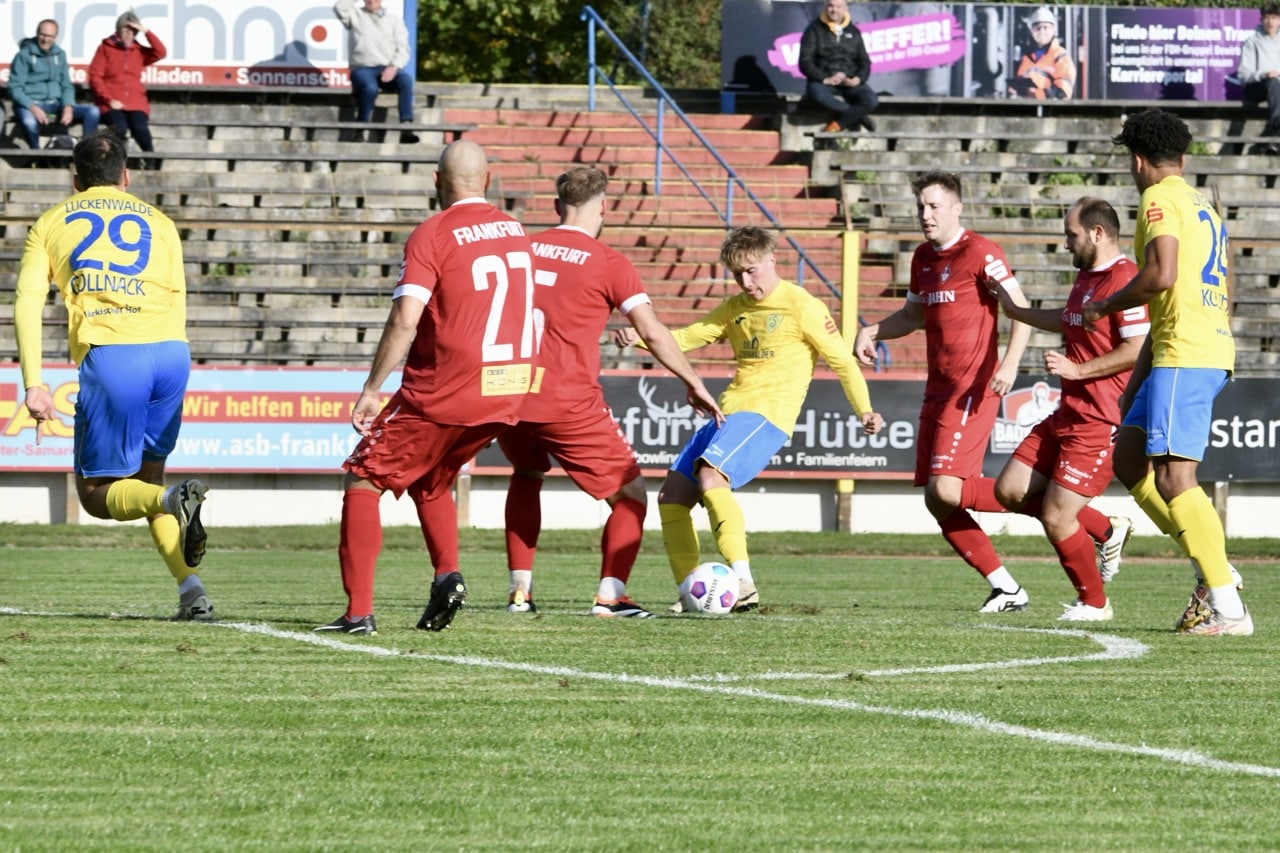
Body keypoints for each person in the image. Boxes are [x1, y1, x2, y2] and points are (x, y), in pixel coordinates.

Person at [315, 140, 538, 636]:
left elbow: (405, 318)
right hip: (507, 390)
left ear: (437, 182)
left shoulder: (433, 234)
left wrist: (373, 387)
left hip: (445, 389)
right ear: (489, 178)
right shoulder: (517, 232)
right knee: (431, 480)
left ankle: (358, 614)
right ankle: (446, 576)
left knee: (362, 479)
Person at [618, 226, 884, 611]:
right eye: (738, 274)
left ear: (772, 261)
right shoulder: (735, 308)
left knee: (711, 474)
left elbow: (842, 361)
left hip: (767, 413)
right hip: (728, 410)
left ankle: (743, 582)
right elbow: (691, 335)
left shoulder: (802, 305)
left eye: (752, 271)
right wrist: (639, 337)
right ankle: (690, 592)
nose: (746, 281)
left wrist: (865, 409)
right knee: (671, 497)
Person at [499, 166, 724, 619]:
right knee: (630, 495)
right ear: (604, 207)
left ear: (557, 206)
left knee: (526, 475)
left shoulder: (518, 250)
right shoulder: (608, 262)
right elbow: (654, 333)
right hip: (566, 400)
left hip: (508, 395)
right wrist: (693, 381)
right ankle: (611, 595)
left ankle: (520, 593)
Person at [14, 130, 211, 620]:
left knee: (97, 497)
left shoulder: (51, 222)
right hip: (171, 352)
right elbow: (178, 292)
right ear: (126, 176)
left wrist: (34, 384)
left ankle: (174, 499)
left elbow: (26, 304)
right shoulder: (162, 222)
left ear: (76, 179)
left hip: (114, 353)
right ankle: (193, 592)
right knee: (148, 479)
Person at [1083, 109, 1251, 636]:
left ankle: (1226, 603)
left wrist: (1103, 307)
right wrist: (1140, 377)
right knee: (1130, 460)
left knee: (1176, 476)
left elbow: (1161, 275)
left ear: (1138, 160)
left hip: (1186, 352)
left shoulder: (1158, 199)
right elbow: (1213, 295)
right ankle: (1217, 567)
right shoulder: (1204, 204)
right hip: (1191, 347)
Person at [854, 171, 1035, 613]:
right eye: (921, 207)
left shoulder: (981, 252)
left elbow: (1022, 310)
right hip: (938, 392)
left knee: (948, 490)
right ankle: (1006, 588)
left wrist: (1009, 364)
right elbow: (912, 317)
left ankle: (1072, 513)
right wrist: (872, 329)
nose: (926, 215)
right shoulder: (922, 257)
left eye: (934, 206)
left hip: (974, 388)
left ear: (957, 208)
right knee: (938, 499)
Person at [991, 198, 1149, 622]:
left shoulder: (1125, 279)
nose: (1066, 243)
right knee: (1008, 491)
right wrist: (1016, 311)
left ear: (1098, 234)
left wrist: (1077, 370)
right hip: (1068, 412)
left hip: (1101, 419)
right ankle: (1106, 529)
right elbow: (1069, 320)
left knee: (1057, 517)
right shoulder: (1085, 277)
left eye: (1071, 235)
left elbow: (1136, 349)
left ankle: (1095, 603)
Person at [333, 0, 419, 143]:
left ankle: (406, 126)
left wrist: (394, 67)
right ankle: (360, 129)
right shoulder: (355, 15)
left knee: (405, 80)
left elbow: (403, 49)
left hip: (386, 68)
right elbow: (339, 7)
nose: (371, 0)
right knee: (369, 88)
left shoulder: (394, 20)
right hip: (362, 68)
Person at [88, 11, 166, 166]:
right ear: (118, 29)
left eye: (133, 30)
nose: (130, 33)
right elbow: (95, 76)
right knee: (119, 128)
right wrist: (109, 99)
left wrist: (147, 32)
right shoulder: (106, 48)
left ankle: (151, 159)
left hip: (135, 102)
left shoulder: (138, 51)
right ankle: (118, 163)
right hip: (111, 102)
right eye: (126, 29)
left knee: (140, 128)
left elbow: (160, 52)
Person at [8, 19, 100, 149]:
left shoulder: (60, 55)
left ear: (55, 37)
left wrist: (68, 106)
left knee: (93, 111)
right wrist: (33, 107)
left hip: (54, 104)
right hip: (29, 104)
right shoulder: (23, 55)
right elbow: (15, 88)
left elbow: (66, 85)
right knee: (28, 121)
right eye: (42, 35)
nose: (45, 39)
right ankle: (37, 155)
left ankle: (86, 151)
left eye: (49, 36)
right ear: (37, 33)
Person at [798, 0, 878, 134]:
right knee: (819, 97)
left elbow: (864, 61)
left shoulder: (854, 32)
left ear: (846, 9)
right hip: (823, 81)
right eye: (831, 6)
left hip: (849, 81)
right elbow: (805, 61)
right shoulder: (813, 30)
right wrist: (825, 78)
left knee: (871, 100)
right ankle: (859, 116)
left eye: (838, 6)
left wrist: (858, 79)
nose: (834, 10)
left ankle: (837, 125)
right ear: (825, 7)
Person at [1237, 2, 1280, 155]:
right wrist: (1264, 74)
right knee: (1273, 82)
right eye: (1267, 18)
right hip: (1257, 87)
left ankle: (1273, 137)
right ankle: (1274, 132)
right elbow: (1244, 75)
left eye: (1274, 18)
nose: (1270, 22)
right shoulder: (1252, 42)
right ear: (1261, 20)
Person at [1007, 6, 1076, 100]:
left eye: (1046, 27)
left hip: (1050, 108)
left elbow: (1063, 89)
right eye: (1037, 28)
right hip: (1029, 107)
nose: (1041, 32)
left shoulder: (1060, 56)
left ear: (1053, 29)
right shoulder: (1027, 58)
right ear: (1031, 31)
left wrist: (1041, 93)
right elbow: (1019, 83)